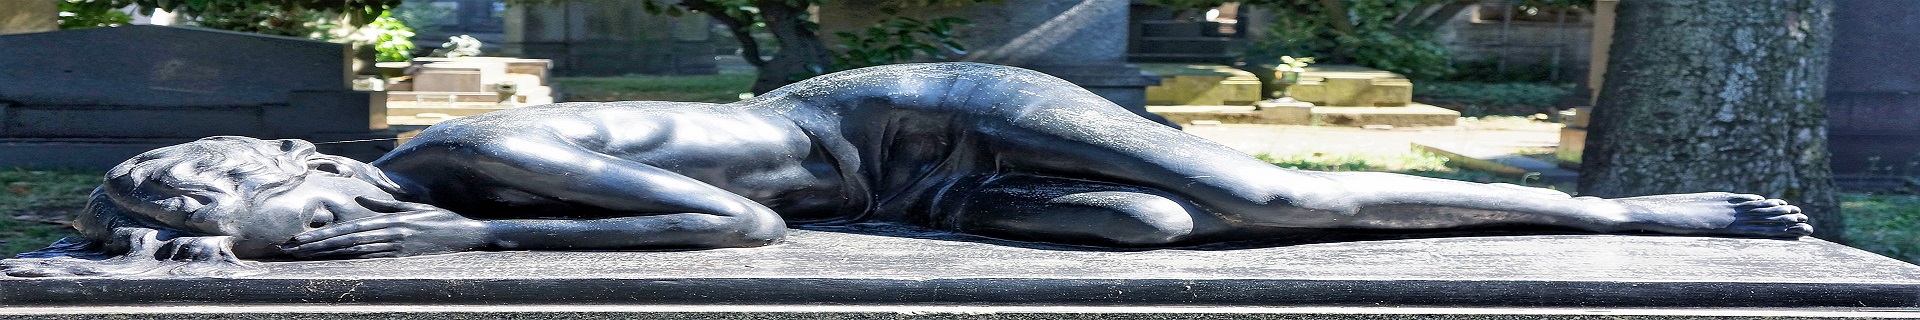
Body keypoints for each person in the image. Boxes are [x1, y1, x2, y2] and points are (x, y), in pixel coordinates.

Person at [5, 63, 1809, 276]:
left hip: (918, 122)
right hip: (898, 204)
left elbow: (715, 225)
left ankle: (1634, 210)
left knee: (1263, 205)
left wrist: (405, 263)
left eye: (229, 225)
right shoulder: (455, 187)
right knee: (1161, 234)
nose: (252, 248)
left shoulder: (466, 151)